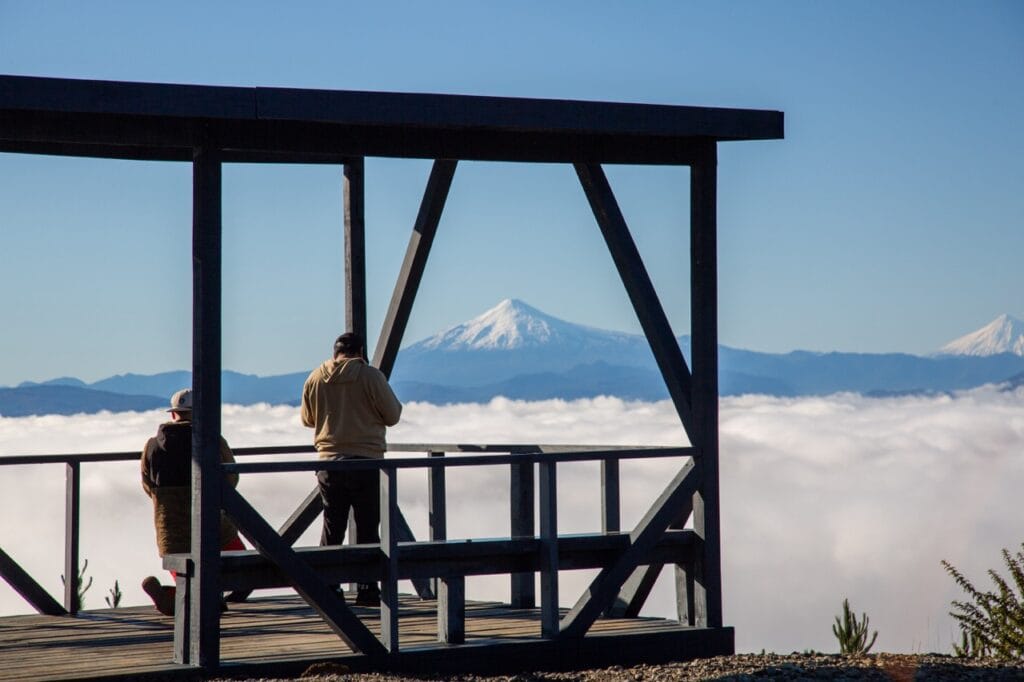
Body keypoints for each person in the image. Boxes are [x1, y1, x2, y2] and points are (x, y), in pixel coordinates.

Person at [301, 332, 402, 605]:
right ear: (360, 351)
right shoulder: (371, 377)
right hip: (366, 460)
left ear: (334, 352)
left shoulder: (315, 377)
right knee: (368, 526)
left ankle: (329, 586)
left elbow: (308, 419)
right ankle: (368, 587)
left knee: (332, 527)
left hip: (328, 463)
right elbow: (393, 415)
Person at [139, 388, 244, 616]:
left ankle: (182, 596)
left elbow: (148, 485)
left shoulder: (151, 446)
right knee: (242, 567)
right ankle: (203, 598)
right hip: (212, 524)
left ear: (174, 414)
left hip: (170, 530)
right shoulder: (211, 439)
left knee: (186, 573)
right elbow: (230, 477)